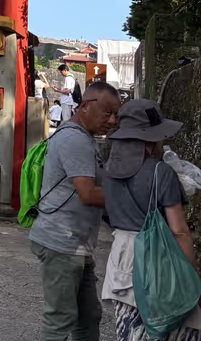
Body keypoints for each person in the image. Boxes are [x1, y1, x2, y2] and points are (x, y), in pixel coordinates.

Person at [29, 81, 121, 341]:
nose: (112, 121)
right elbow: (89, 194)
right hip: (61, 242)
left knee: (88, 316)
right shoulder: (75, 139)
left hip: (76, 243)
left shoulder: (84, 138)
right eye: (107, 112)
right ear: (84, 106)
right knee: (60, 319)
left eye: (116, 115)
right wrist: (135, 197)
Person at [101, 99, 200, 341]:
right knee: (175, 329)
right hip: (158, 257)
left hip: (121, 261)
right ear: (151, 138)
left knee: (130, 333)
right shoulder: (160, 171)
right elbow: (179, 232)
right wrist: (193, 274)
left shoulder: (107, 172)